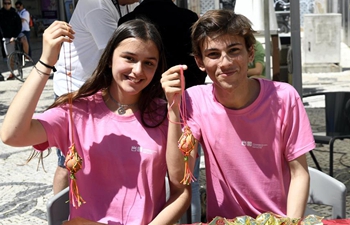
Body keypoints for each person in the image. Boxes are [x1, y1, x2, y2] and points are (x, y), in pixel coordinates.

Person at [1, 19, 190, 224]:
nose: (138, 70)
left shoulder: (166, 114)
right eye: (129, 58)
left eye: (149, 63)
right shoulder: (78, 110)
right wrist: (46, 62)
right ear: (109, 59)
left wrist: (174, 108)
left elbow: (181, 191)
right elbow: (12, 135)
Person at [161, 10, 315, 222]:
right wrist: (173, 107)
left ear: (250, 53)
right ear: (200, 62)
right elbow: (179, 177)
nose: (225, 62)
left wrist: (290, 222)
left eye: (234, 50)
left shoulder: (284, 97)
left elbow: (299, 173)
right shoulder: (194, 100)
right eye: (213, 54)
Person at [118, 1, 207, 221]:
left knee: (144, 182)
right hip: (185, 108)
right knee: (188, 185)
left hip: (144, 110)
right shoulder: (188, 19)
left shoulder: (129, 21)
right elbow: (198, 67)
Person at [52, 0, 139, 195]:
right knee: (68, 161)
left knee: (98, 155)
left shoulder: (128, 4)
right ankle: (60, 216)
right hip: (74, 91)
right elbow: (117, 54)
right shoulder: (96, 5)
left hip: (97, 90)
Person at [0, 0, 22, 80]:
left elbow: (19, 26)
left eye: (8, 3)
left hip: (15, 35)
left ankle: (26, 57)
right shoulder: (1, 13)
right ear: (3, 4)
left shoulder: (14, 13)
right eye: (5, 3)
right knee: (10, 56)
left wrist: (14, 36)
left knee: (24, 40)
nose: (7, 5)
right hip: (6, 37)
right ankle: (12, 73)